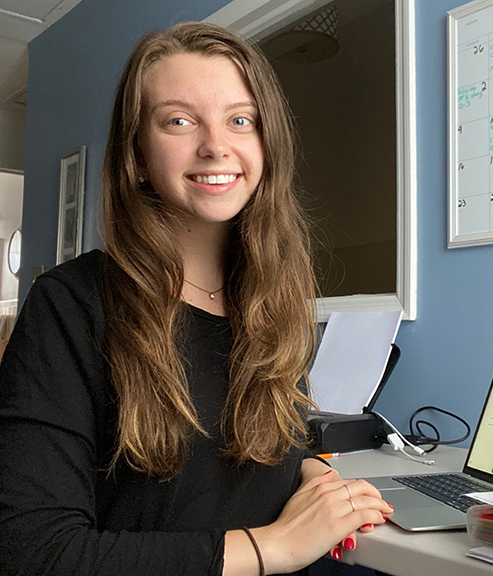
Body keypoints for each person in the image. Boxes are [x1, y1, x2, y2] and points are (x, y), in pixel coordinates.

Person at [0, 22, 391, 576]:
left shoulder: (272, 303)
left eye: (240, 119)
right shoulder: (70, 304)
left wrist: (311, 473)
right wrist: (271, 547)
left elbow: (242, 457)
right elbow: (34, 553)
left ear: (266, 142)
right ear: (136, 152)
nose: (216, 145)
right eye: (179, 121)